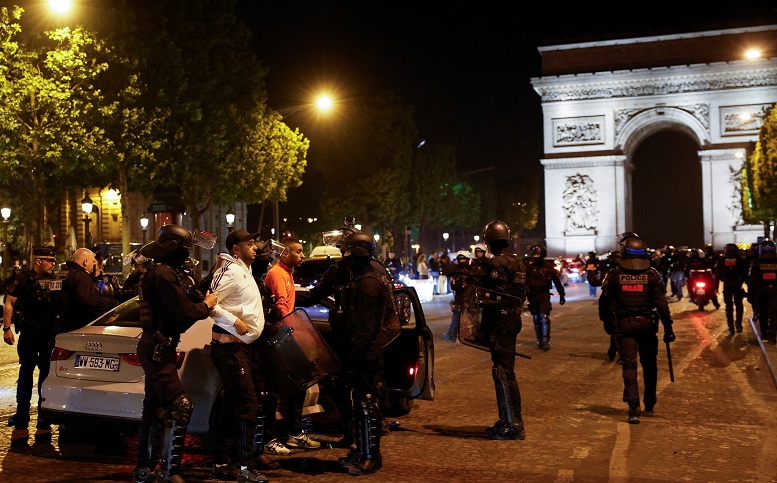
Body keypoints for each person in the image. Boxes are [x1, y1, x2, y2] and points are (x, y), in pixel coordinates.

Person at [133, 225, 219, 483]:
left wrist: (210, 280)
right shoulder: (162, 274)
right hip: (158, 349)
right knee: (180, 406)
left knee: (153, 407)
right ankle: (169, 470)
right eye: (183, 250)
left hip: (159, 348)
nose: (185, 256)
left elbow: (185, 299)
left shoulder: (163, 273)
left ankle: (145, 466)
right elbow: (187, 312)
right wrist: (207, 305)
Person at [206, 229, 270, 482]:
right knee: (247, 405)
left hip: (242, 348)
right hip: (230, 348)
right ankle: (245, 466)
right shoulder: (230, 271)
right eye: (250, 244)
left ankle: (223, 462)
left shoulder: (243, 269)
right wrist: (235, 322)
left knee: (234, 406)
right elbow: (210, 303)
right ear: (236, 248)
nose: (255, 248)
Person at [334, 232, 396, 475]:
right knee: (359, 403)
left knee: (367, 404)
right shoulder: (360, 278)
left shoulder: (369, 283)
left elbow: (366, 329)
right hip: (360, 352)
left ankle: (372, 457)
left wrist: (352, 358)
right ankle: (361, 450)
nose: (345, 257)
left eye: (347, 251)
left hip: (366, 355)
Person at [599, 236, 675, 424]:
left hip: (624, 325)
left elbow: (605, 302)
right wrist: (668, 327)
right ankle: (649, 400)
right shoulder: (652, 274)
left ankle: (633, 407)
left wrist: (607, 324)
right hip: (647, 324)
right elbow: (662, 304)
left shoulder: (615, 275)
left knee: (629, 365)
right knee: (650, 365)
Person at [263, 237, 321, 455]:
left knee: (299, 383)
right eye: (298, 251)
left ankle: (294, 433)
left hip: (287, 334)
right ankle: (275, 437)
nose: (302, 256)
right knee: (278, 389)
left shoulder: (286, 274)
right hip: (282, 336)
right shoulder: (278, 274)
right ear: (285, 253)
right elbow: (281, 307)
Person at [3, 246, 59, 444]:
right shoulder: (22, 279)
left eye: (53, 260)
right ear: (38, 261)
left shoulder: (56, 279)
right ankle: (21, 416)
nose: (53, 263)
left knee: (46, 375)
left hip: (48, 335)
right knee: (26, 374)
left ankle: (44, 417)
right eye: (48, 260)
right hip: (28, 333)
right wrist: (6, 328)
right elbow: (9, 303)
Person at [477, 221, 527, 440]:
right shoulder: (518, 263)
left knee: (504, 372)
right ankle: (506, 418)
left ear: (490, 241)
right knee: (502, 371)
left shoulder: (498, 263)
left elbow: (499, 296)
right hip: (512, 319)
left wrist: (482, 302)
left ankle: (514, 424)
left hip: (501, 321)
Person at [57, 248, 118, 335]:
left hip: (60, 325)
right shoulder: (81, 277)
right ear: (86, 262)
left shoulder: (61, 274)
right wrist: (111, 302)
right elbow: (89, 299)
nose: (94, 265)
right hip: (77, 326)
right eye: (93, 261)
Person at [525, 244, 565, 351]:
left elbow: (557, 282)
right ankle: (539, 339)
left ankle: (545, 341)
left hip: (544, 295)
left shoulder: (549, 268)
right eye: (535, 254)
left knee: (544, 317)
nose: (536, 256)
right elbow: (523, 282)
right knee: (536, 318)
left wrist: (562, 294)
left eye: (538, 254)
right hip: (532, 295)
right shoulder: (528, 268)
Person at [748, 239, 777, 344]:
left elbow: (752, 280)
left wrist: (751, 294)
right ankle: (772, 335)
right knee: (774, 312)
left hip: (761, 290)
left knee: (763, 312)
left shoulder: (757, 263)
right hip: (775, 290)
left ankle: (764, 333)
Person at [442, 251, 475, 342]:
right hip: (459, 297)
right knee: (456, 315)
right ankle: (452, 335)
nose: (462, 260)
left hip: (471, 296)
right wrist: (460, 270)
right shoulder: (456, 269)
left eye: (464, 259)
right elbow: (446, 271)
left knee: (473, 316)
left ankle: (473, 335)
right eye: (460, 259)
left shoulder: (472, 269)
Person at [716, 243, 748, 335]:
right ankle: (738, 324)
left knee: (729, 307)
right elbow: (745, 274)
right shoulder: (740, 260)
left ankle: (730, 327)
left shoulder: (722, 260)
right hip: (737, 285)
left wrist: (716, 287)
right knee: (739, 305)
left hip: (727, 286)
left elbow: (717, 275)